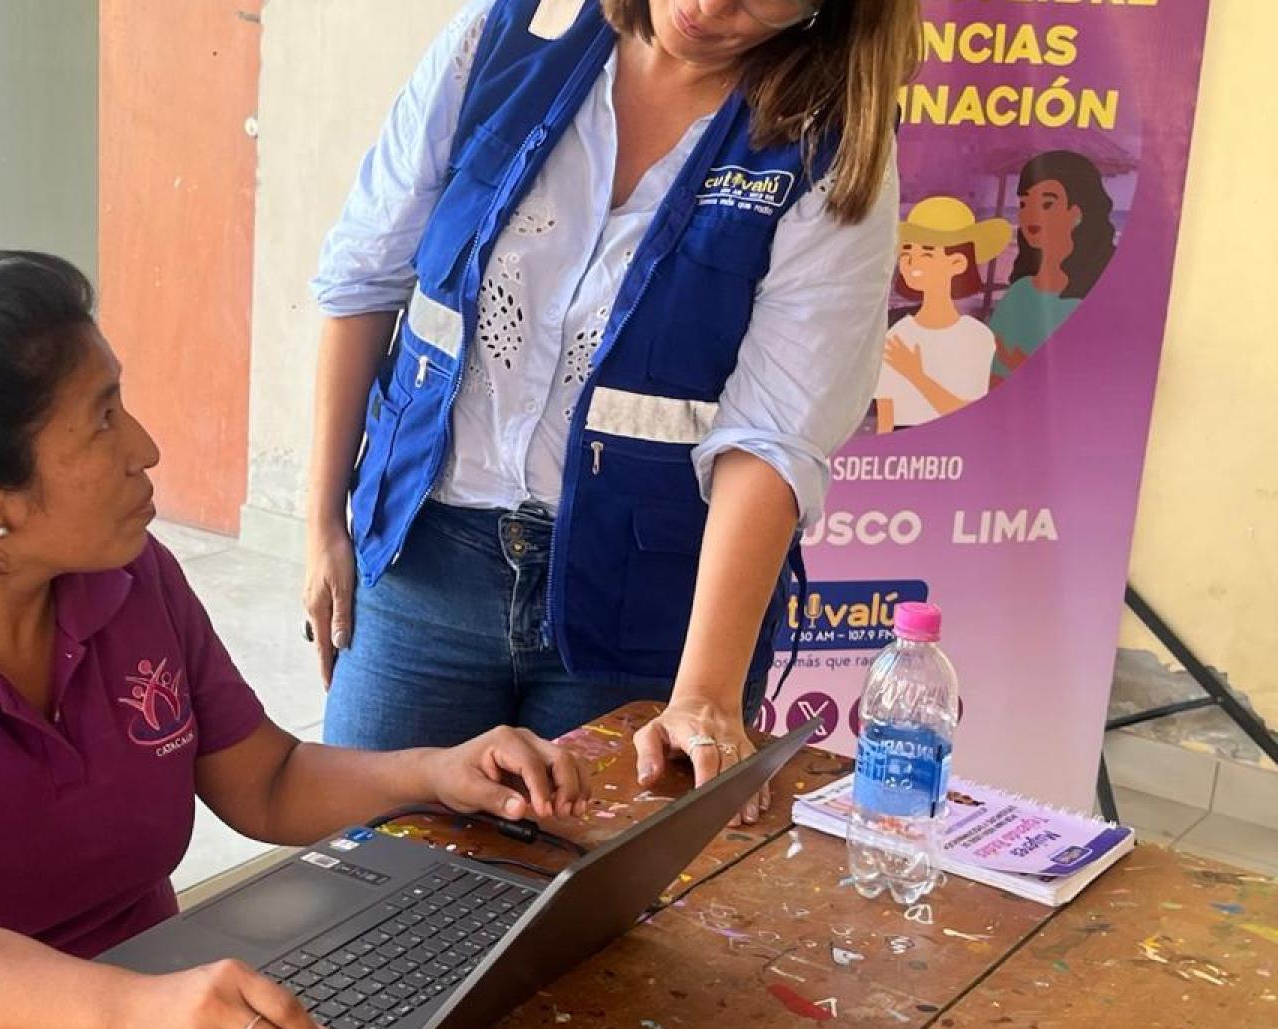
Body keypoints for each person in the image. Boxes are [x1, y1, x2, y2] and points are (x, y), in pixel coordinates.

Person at [0, 252, 592, 1029]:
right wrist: (127, 1017)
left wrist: (435, 775)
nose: (145, 447)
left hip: (114, 1028)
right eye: (102, 421)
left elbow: (268, 781)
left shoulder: (128, 579)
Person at [303, 0, 921, 820]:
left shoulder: (828, 149)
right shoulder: (502, 41)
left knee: (595, 894)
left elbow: (774, 435)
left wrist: (705, 692)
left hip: (650, 606)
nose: (712, 5)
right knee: (370, 869)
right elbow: (364, 280)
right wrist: (323, 523)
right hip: (427, 567)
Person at [873, 196, 1010, 431]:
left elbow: (970, 414)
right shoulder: (897, 336)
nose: (911, 262)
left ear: (957, 263)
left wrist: (916, 374)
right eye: (907, 252)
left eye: (927, 254)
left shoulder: (977, 336)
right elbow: (886, 421)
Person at [988, 149, 1117, 382]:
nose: (1030, 215)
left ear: (1076, 212)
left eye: (1046, 204)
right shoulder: (1018, 295)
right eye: (1024, 204)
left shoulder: (1101, 298)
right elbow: (992, 377)